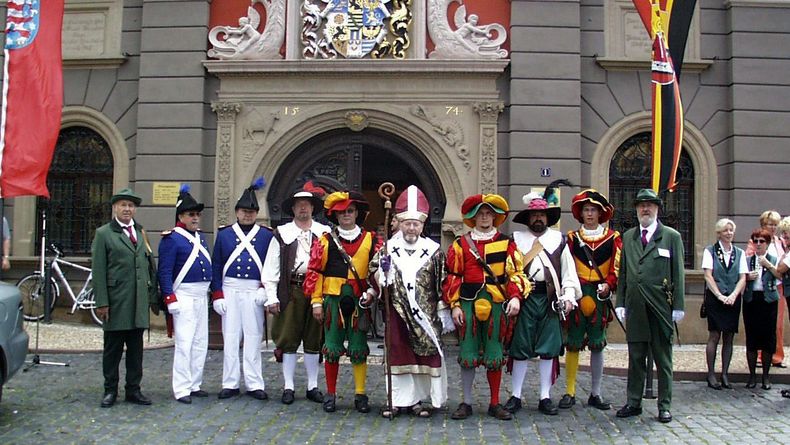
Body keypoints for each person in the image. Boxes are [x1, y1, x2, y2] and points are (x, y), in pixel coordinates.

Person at [443, 193, 529, 421]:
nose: (484, 217)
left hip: (497, 304)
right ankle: (467, 402)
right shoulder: (461, 244)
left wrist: (515, 298)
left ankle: (494, 402)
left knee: (494, 353)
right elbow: (453, 276)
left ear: (495, 216)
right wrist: (454, 305)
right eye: (480, 213)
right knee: (468, 352)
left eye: (488, 213)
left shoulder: (507, 242)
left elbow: (515, 274)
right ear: (473, 217)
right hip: (468, 305)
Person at [369, 185, 453, 418]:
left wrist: (443, 310)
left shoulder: (434, 251)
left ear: (422, 225)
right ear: (399, 223)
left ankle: (418, 401)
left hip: (425, 315)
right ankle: (396, 400)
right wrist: (382, 275)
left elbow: (442, 281)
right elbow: (374, 272)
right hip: (397, 312)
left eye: (416, 224)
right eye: (407, 223)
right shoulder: (388, 248)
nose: (412, 228)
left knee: (423, 358)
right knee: (398, 356)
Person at [505, 182, 581, 416]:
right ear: (528, 218)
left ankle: (544, 397)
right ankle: (515, 396)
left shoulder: (559, 241)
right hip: (524, 299)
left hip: (549, 300)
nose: (538, 218)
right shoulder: (515, 240)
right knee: (520, 348)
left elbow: (568, 273)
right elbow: (508, 271)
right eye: (534, 215)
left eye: (542, 215)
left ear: (548, 217)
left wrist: (568, 296)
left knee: (548, 349)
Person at [304, 190, 381, 413]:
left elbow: (376, 272)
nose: (346, 215)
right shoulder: (326, 241)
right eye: (341, 212)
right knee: (332, 348)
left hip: (359, 302)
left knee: (358, 348)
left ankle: (360, 394)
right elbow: (315, 271)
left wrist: (372, 292)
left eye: (350, 211)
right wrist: (316, 301)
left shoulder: (371, 240)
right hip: (333, 302)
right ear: (335, 216)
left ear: (357, 213)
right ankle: (330, 393)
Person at [614, 188, 685, 424]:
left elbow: (678, 273)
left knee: (663, 359)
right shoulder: (628, 237)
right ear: (636, 209)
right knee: (635, 357)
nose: (646, 209)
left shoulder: (671, 236)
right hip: (635, 308)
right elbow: (623, 272)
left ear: (658, 209)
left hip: (660, 308)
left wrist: (678, 306)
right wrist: (621, 301)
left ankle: (664, 405)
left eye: (651, 205)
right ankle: (633, 402)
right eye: (642, 205)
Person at [262, 182, 330, 405]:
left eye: (307, 205)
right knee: (289, 338)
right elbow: (271, 268)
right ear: (292, 209)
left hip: (317, 291)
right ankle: (288, 386)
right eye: (299, 205)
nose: (303, 209)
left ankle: (313, 385)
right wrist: (272, 296)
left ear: (312, 208)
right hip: (291, 289)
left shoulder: (325, 233)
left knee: (314, 338)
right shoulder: (281, 234)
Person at [211, 177, 276, 401]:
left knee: (254, 337)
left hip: (253, 292)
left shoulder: (267, 236)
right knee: (230, 337)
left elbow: (271, 266)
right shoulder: (225, 234)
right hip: (230, 289)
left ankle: (254, 383)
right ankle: (229, 382)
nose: (247, 214)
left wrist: (264, 290)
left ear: (256, 213)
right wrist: (217, 294)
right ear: (237, 212)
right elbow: (216, 265)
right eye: (243, 211)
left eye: (251, 211)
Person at [92, 188, 158, 408]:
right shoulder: (104, 234)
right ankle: (110, 390)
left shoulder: (140, 232)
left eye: (130, 206)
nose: (127, 209)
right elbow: (99, 271)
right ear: (115, 208)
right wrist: (102, 302)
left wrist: (151, 295)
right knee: (112, 350)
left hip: (138, 301)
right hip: (116, 301)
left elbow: (148, 265)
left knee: (136, 351)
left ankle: (134, 389)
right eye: (123, 205)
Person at [560, 189, 621, 411]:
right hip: (577, 295)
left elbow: (616, 266)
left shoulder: (613, 238)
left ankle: (596, 392)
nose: (589, 214)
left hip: (599, 296)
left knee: (598, 344)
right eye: (586, 210)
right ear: (581, 213)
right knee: (573, 343)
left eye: (593, 210)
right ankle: (570, 390)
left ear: (600, 213)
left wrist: (609, 285)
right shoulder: (571, 238)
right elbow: (565, 268)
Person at [157, 184, 212, 404]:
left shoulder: (199, 237)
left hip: (201, 295)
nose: (196, 218)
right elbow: (165, 270)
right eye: (192, 214)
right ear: (181, 216)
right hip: (184, 296)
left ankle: (194, 383)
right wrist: (169, 297)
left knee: (200, 342)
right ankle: (181, 388)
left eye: (197, 214)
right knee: (185, 343)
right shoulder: (172, 239)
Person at [701, 218, 747, 390]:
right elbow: (708, 275)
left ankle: (725, 373)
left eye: (731, 230)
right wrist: (720, 295)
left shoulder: (740, 253)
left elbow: (743, 277)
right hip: (716, 297)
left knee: (729, 336)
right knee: (714, 335)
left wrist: (734, 295)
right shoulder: (710, 251)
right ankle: (711, 374)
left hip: (733, 298)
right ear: (719, 233)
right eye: (726, 230)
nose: (729, 233)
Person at [743, 228, 782, 390]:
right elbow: (739, 278)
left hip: (768, 301)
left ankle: (766, 376)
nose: (758, 244)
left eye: (762, 241)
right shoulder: (747, 260)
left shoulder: (774, 259)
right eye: (756, 241)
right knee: (752, 337)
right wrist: (746, 277)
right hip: (752, 300)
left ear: (767, 243)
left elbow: (781, 276)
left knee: (768, 338)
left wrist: (769, 265)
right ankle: (752, 376)